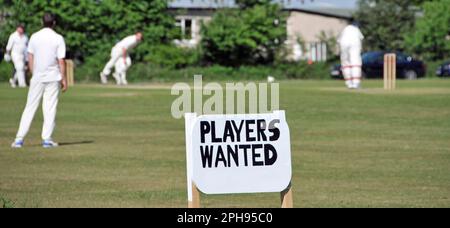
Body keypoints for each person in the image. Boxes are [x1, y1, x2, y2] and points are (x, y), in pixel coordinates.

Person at [11, 13, 68, 149]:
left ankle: (19, 139)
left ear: (42, 22)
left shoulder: (34, 37)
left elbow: (30, 56)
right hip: (53, 77)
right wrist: (64, 79)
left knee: (30, 106)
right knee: (49, 107)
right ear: (54, 23)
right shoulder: (58, 38)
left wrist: (33, 72)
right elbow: (61, 60)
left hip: (38, 77)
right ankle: (47, 139)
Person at [338, 20, 364, 89]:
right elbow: (361, 38)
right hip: (355, 43)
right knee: (355, 62)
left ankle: (349, 83)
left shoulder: (345, 29)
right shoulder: (356, 29)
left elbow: (339, 40)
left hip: (343, 44)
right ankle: (356, 83)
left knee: (345, 62)